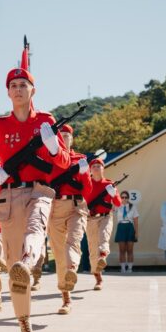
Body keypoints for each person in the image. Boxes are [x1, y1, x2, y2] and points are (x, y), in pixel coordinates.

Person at [0, 68, 70, 332]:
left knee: (36, 228)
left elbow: (62, 163)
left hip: (40, 191)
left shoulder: (46, 122)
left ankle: (29, 259)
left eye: (23, 84)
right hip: (10, 195)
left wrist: (52, 147)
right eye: (13, 85)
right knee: (15, 271)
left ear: (32, 90)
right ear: (8, 92)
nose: (18, 89)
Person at [45, 124, 92, 315]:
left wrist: (84, 174)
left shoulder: (79, 160)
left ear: (72, 139)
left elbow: (87, 190)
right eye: (61, 135)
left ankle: (72, 268)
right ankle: (66, 298)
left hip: (75, 206)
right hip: (54, 208)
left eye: (67, 135)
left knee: (73, 240)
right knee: (58, 251)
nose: (64, 138)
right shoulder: (48, 160)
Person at [84, 157, 122, 290]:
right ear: (90, 169)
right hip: (90, 219)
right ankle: (98, 278)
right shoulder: (86, 183)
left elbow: (118, 203)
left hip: (106, 217)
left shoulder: (109, 184)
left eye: (99, 166)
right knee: (93, 250)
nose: (96, 168)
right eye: (93, 166)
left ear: (103, 168)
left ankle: (103, 256)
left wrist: (113, 194)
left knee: (103, 238)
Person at [114, 191, 138, 273]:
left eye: (126, 197)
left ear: (128, 198)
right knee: (122, 250)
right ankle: (123, 268)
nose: (124, 199)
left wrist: (136, 232)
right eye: (122, 197)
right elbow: (110, 209)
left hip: (130, 227)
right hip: (121, 227)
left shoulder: (132, 207)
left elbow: (136, 221)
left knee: (130, 250)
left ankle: (130, 268)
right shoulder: (117, 206)